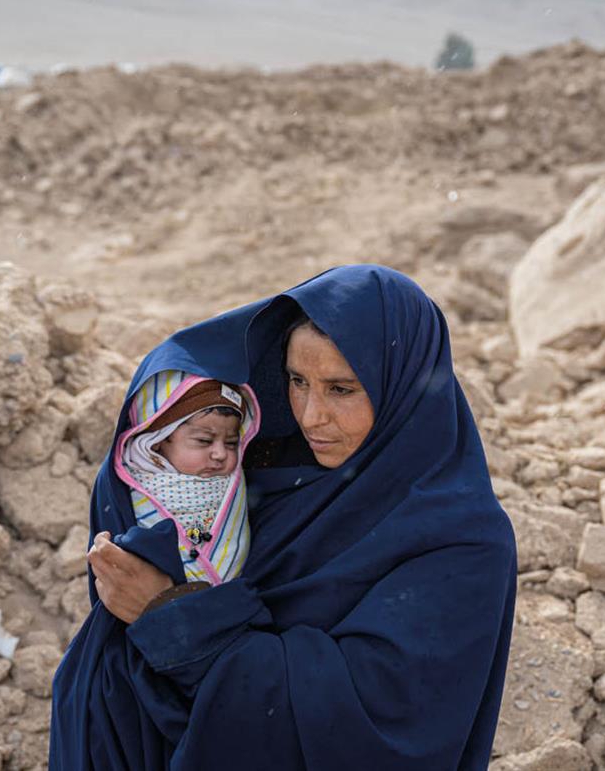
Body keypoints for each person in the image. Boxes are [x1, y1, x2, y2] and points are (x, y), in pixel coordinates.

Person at [50, 264, 517, 771]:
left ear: (401, 387)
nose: (312, 415)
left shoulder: (462, 542)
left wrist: (171, 617)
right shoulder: (260, 475)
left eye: (342, 389)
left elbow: (371, 732)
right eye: (297, 381)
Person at [113, 371, 257, 587]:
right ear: (157, 440)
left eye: (230, 443)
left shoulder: (232, 484)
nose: (220, 453)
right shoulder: (134, 485)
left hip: (224, 599)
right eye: (204, 440)